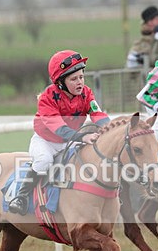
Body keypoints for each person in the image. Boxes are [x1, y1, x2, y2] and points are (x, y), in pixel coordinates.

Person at [7, 50, 110, 215]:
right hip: (46, 141)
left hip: (69, 140)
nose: (80, 82)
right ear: (60, 82)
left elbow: (97, 114)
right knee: (43, 161)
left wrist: (111, 128)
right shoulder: (47, 98)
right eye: (74, 79)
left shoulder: (86, 93)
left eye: (81, 77)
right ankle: (21, 197)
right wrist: (83, 136)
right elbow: (59, 128)